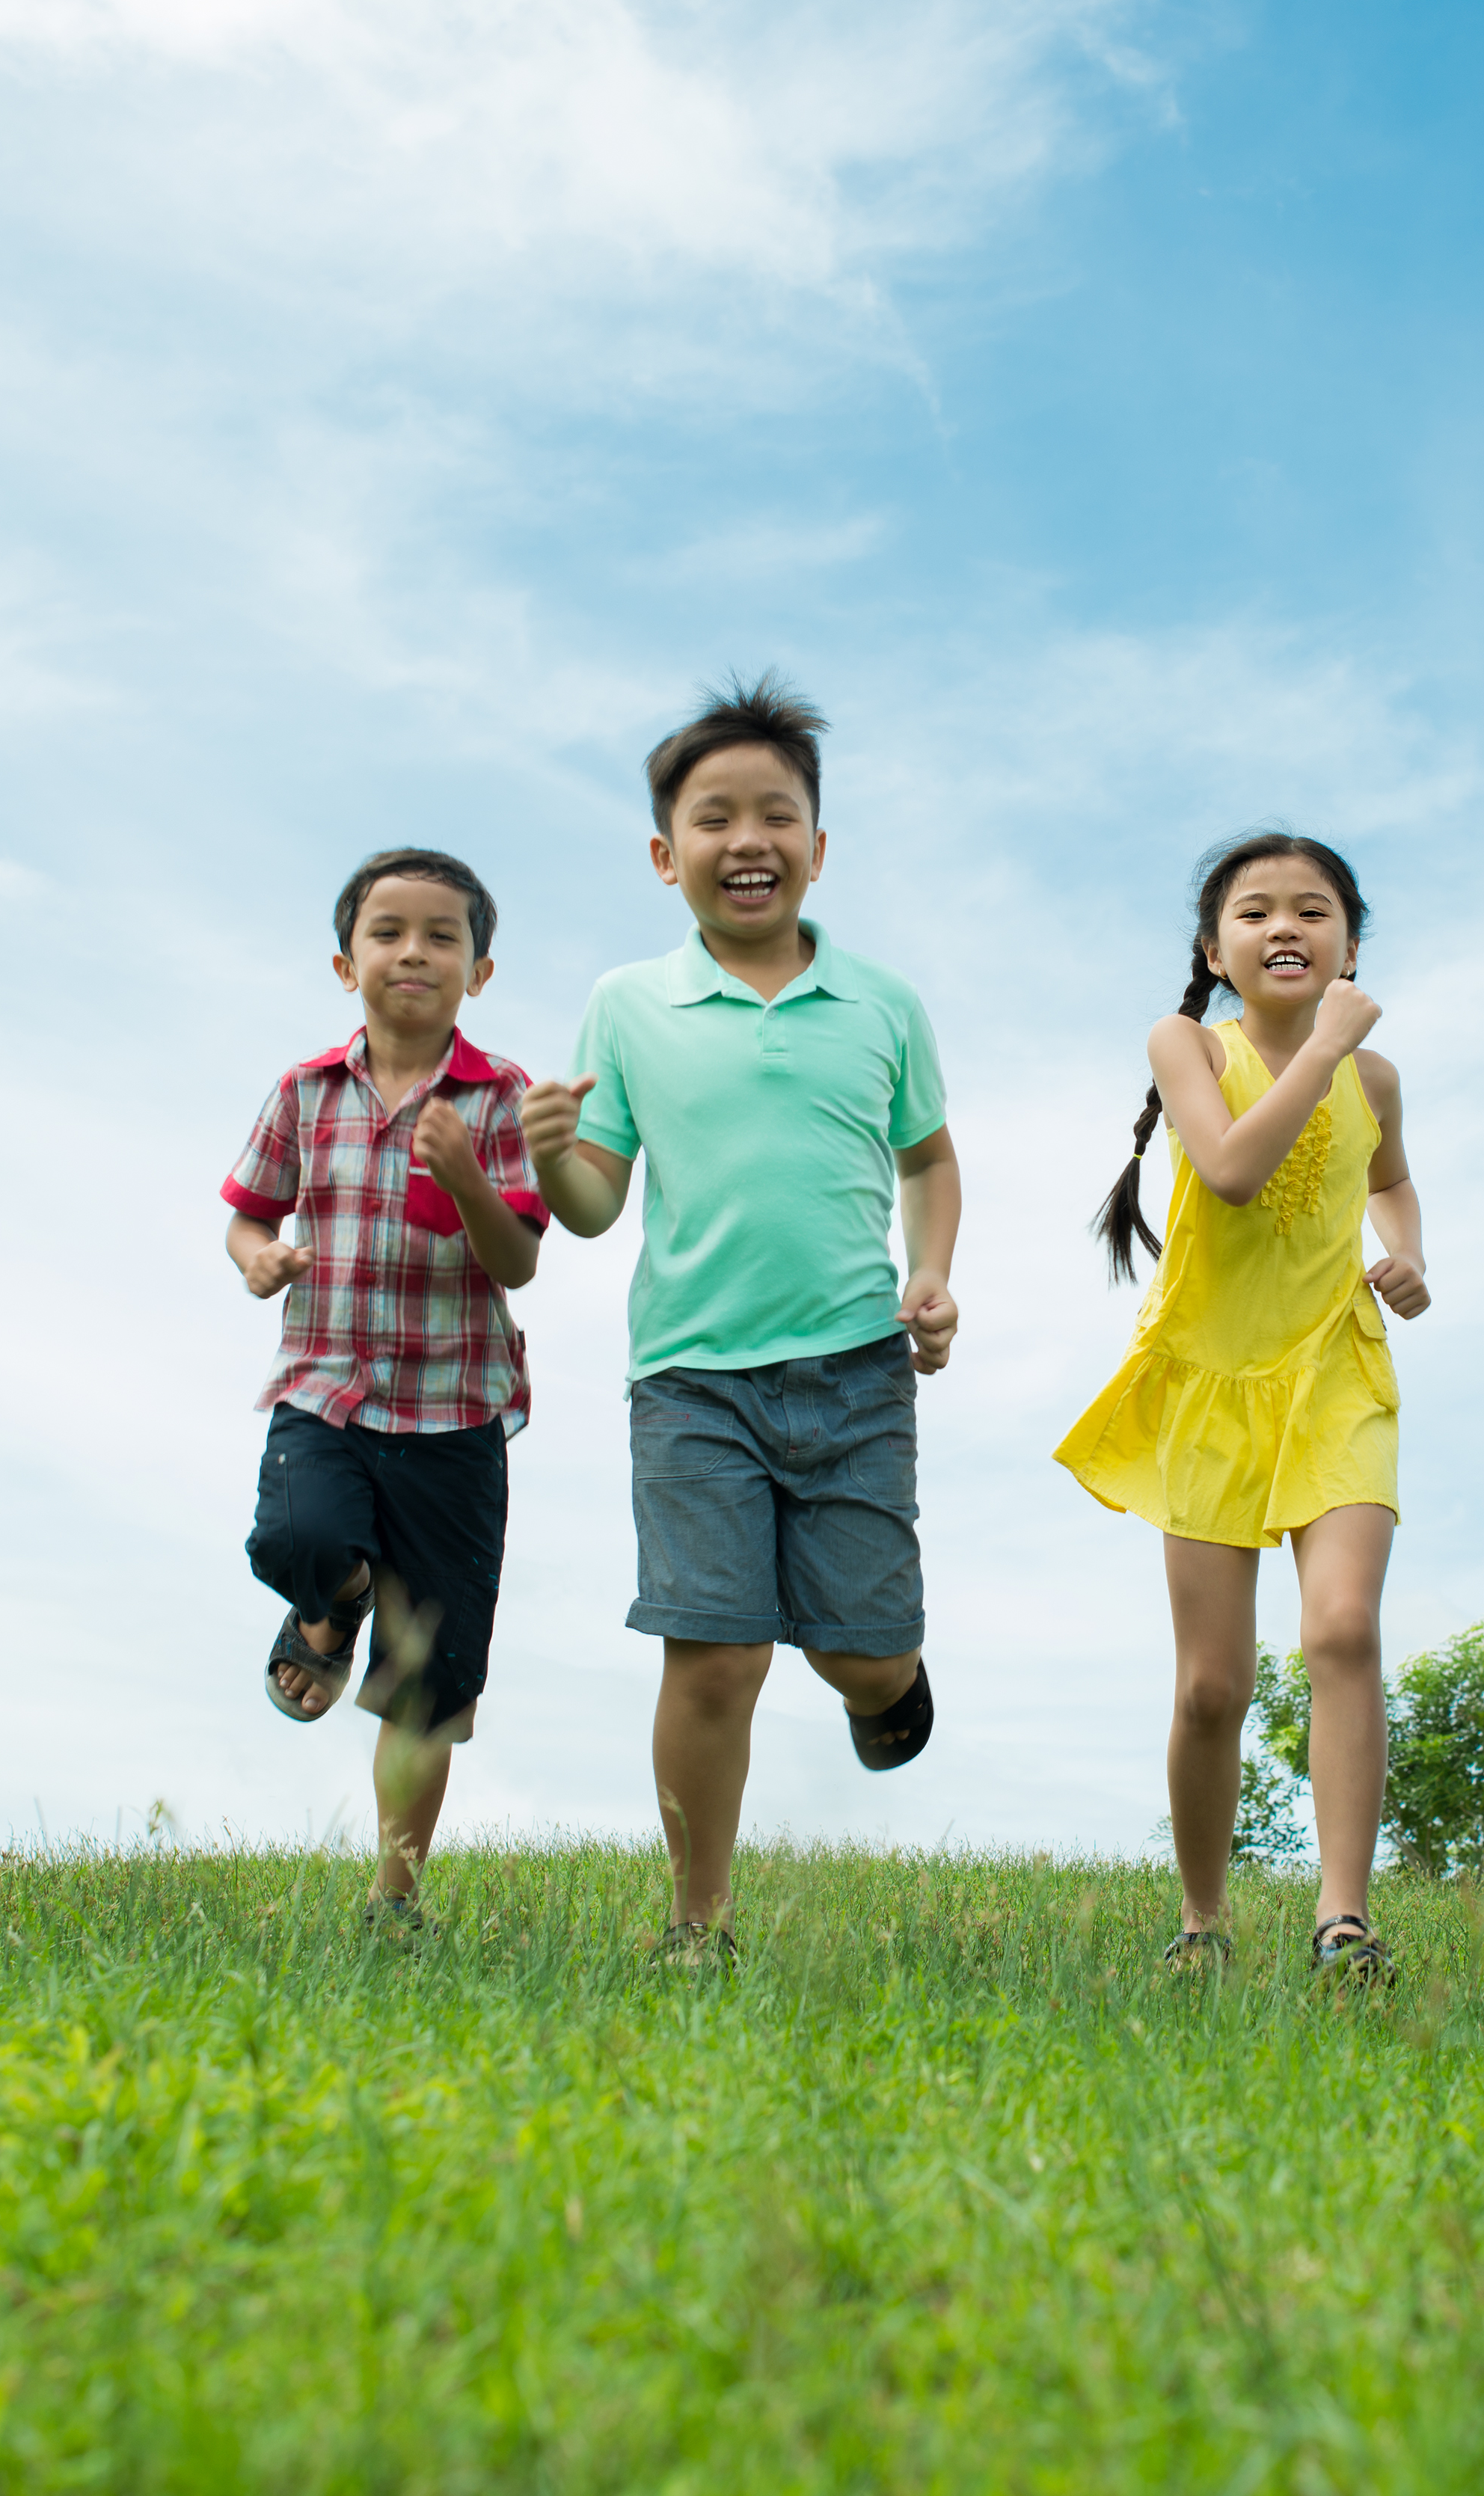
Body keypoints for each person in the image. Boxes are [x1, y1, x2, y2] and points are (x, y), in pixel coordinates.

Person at [518, 674, 958, 1966]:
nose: (747, 839)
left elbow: (928, 1157)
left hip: (857, 1371)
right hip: (693, 1380)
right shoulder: (628, 1005)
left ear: (819, 848)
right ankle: (696, 1925)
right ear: (667, 856)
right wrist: (551, 1157)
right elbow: (596, 1204)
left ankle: (888, 1681)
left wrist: (929, 1273)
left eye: (777, 814)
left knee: (856, 1650)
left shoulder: (882, 1003)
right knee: (716, 1655)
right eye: (714, 818)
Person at [1055, 832, 1429, 1981]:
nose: (1286, 928)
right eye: (1256, 911)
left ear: (1350, 944)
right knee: (1214, 1685)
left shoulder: (1376, 1078)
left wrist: (1406, 1251)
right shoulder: (1190, 1046)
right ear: (1214, 951)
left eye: (1313, 911)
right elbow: (1228, 1168)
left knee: (1343, 1630)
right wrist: (1320, 1050)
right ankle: (1205, 1921)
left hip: (1335, 1373)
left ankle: (1342, 1921)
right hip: (1211, 1382)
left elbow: (1390, 1178)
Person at [221, 847, 548, 1933]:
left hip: (455, 1414)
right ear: (343, 957)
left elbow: (518, 1262)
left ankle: (394, 1894)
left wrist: (464, 1177)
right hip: (327, 1388)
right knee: (298, 1536)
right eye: (389, 931)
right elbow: (249, 1212)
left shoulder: (503, 1098)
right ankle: (330, 1605)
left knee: (430, 1682)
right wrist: (257, 1257)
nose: (414, 951)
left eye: (442, 935)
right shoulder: (304, 1092)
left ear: (481, 970)